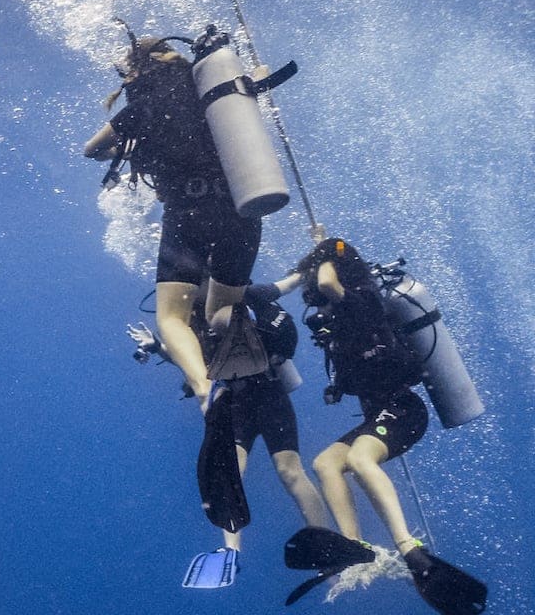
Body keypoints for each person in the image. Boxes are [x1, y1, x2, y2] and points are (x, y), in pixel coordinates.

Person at [279, 238, 486, 613]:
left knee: (360, 460)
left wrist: (328, 251)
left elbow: (329, 283)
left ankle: (408, 546)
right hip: (381, 415)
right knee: (326, 463)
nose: (320, 311)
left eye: (321, 302)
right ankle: (352, 545)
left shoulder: (363, 305)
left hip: (404, 411)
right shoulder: (343, 328)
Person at [85, 34, 261, 408]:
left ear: (137, 69)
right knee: (219, 312)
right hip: (238, 208)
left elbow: (91, 150)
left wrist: (126, 145)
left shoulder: (141, 108)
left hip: (188, 215)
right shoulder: (212, 92)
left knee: (172, 317)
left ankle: (204, 388)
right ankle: (248, 365)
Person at [168, 293, 331, 588]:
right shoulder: (194, 320)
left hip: (269, 394)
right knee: (232, 470)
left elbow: (284, 294)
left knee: (290, 470)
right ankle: (231, 550)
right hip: (236, 403)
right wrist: (159, 347)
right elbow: (187, 355)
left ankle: (323, 541)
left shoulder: (250, 299)